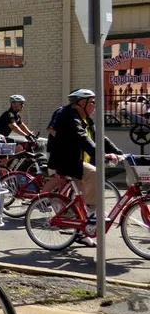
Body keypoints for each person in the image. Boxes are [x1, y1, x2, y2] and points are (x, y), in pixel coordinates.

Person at [48, 89, 122, 247]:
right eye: (92, 102)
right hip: (66, 161)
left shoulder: (85, 118)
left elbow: (99, 137)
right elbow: (81, 137)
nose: (95, 105)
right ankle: (90, 215)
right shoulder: (69, 117)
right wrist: (101, 154)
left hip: (78, 160)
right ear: (82, 103)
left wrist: (118, 152)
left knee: (83, 193)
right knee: (94, 174)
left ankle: (82, 232)